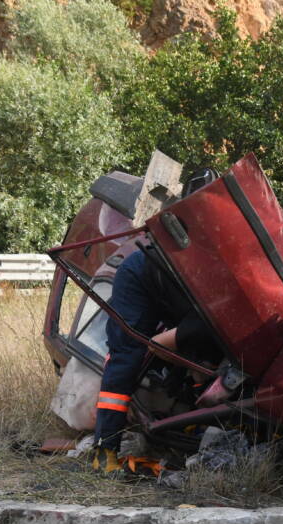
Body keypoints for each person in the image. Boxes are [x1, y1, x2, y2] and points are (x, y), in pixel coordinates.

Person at [93, 168, 220, 473]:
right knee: (127, 357)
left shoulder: (223, 242)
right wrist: (163, 341)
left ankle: (191, 432)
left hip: (178, 296)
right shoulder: (194, 231)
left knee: (198, 358)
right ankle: (104, 450)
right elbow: (200, 325)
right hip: (141, 279)